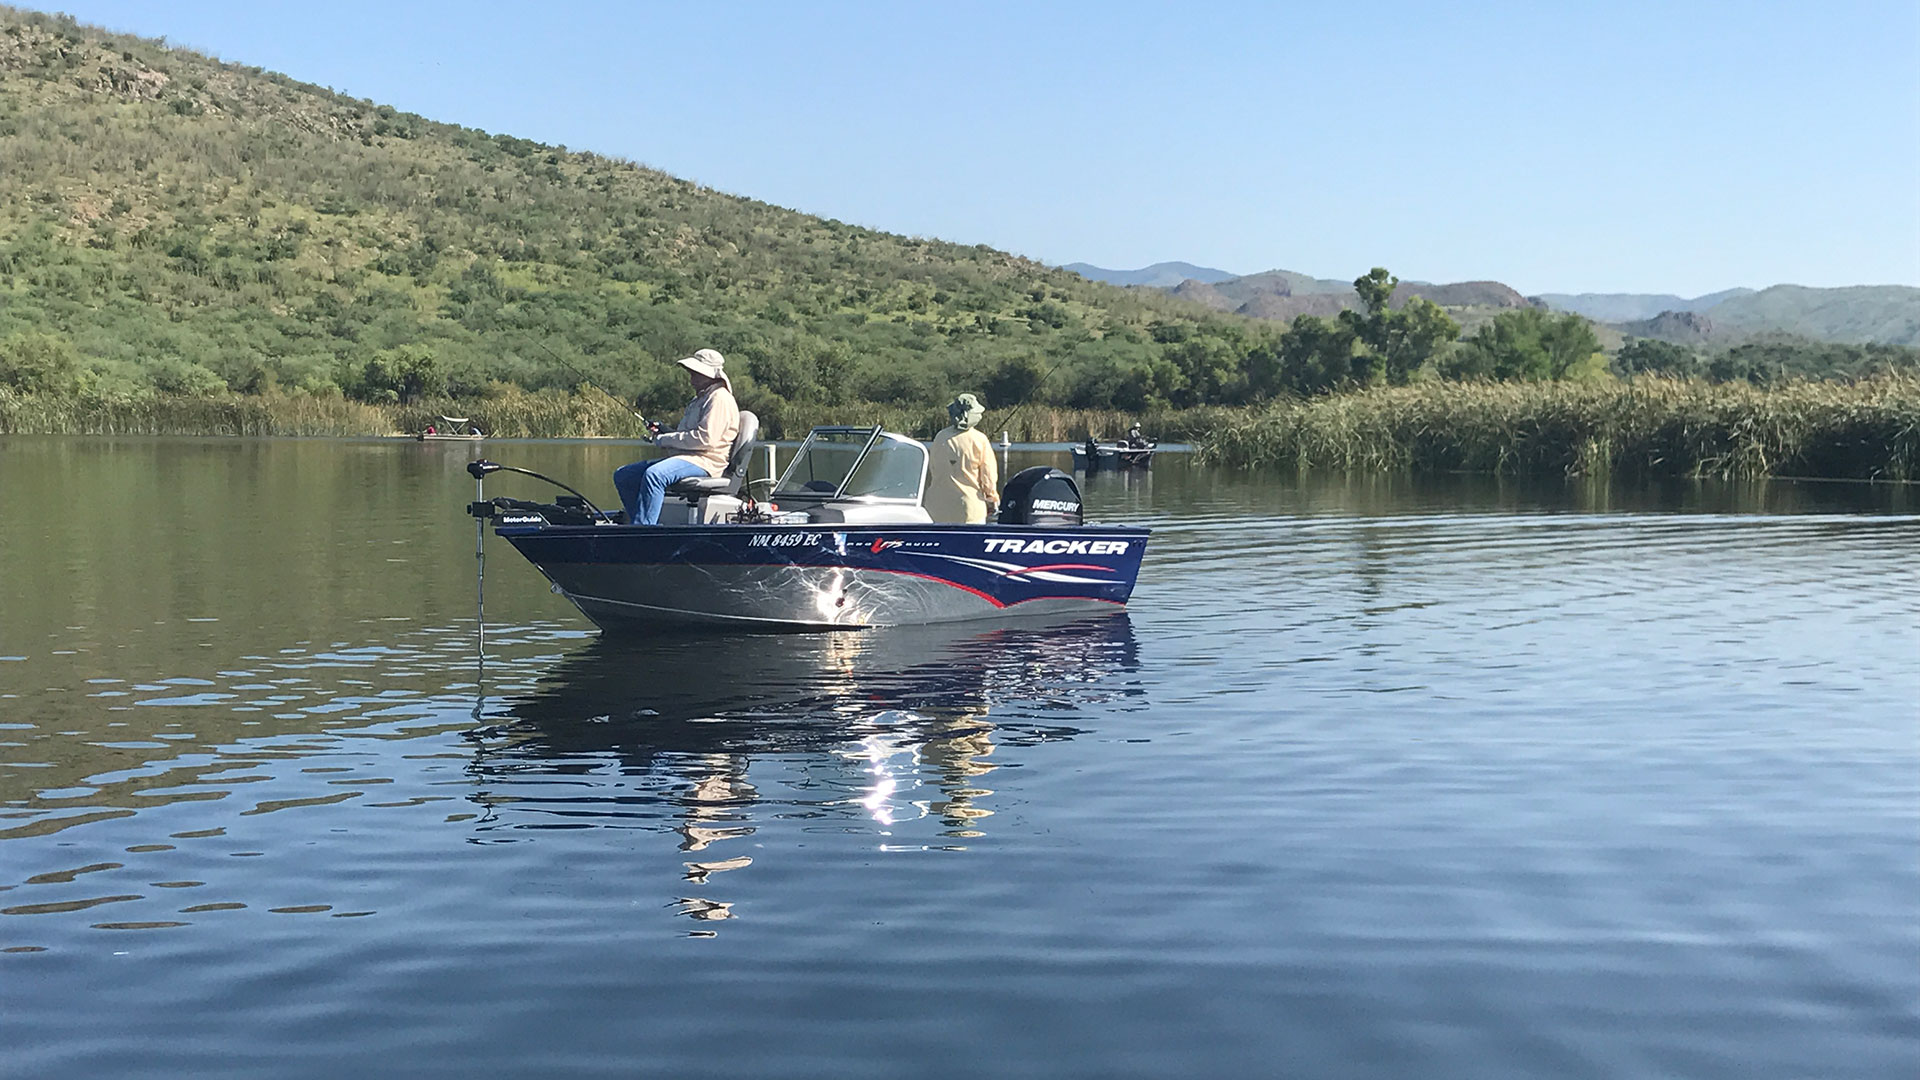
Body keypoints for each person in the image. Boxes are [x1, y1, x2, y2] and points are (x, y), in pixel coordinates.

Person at [613, 348, 740, 525]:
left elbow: (705, 440)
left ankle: (644, 531)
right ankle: (638, 523)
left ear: (711, 375)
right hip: (689, 457)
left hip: (706, 461)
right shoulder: (700, 399)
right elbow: (690, 435)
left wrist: (664, 440)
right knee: (624, 475)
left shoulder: (719, 399)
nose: (691, 378)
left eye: (696, 373)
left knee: (654, 475)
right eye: (691, 372)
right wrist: (667, 431)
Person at [925, 393, 999, 524]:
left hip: (936, 507)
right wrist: (992, 498)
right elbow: (988, 478)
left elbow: (934, 468)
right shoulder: (980, 439)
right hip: (969, 508)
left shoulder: (940, 437)